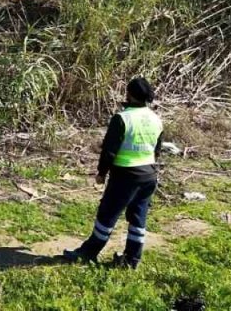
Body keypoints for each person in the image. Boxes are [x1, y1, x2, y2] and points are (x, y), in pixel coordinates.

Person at [63, 77, 163, 268]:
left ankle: (87, 253)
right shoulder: (156, 119)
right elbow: (156, 150)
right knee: (138, 217)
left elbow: (109, 150)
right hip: (149, 174)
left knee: (107, 215)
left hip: (126, 176)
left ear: (130, 94)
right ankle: (131, 260)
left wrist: (102, 172)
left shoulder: (123, 118)